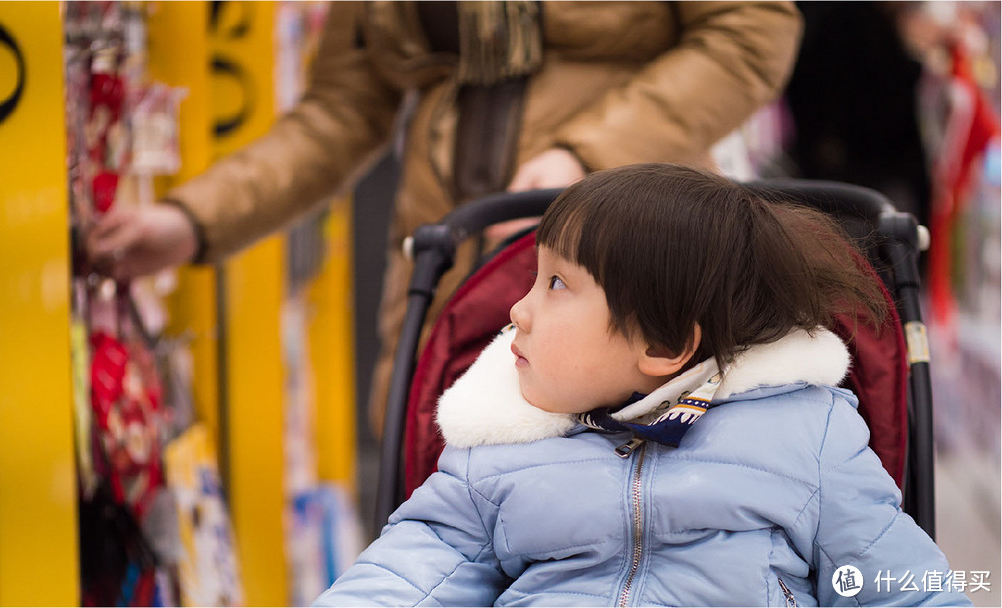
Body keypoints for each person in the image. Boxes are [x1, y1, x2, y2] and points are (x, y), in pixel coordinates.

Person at [86, 2, 804, 434]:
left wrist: (585, 153)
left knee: (626, 501)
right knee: (437, 487)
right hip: (447, 264)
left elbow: (750, 35)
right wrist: (194, 220)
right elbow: (344, 106)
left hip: (619, 257)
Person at [312, 164, 970, 607]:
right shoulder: (496, 448)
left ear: (661, 346)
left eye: (557, 285)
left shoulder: (803, 436)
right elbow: (415, 569)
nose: (518, 311)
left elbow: (902, 585)